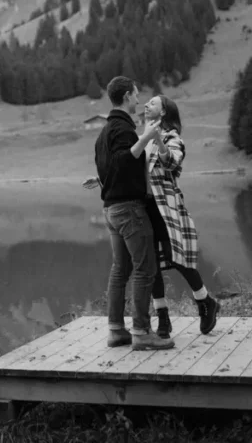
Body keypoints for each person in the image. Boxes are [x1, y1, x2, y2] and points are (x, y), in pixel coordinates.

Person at [85, 93, 219, 337]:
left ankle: (204, 301)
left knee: (176, 257)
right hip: (143, 205)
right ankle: (163, 316)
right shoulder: (142, 138)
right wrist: (101, 179)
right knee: (151, 262)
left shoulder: (172, 138)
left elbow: (173, 164)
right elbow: (131, 167)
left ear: (164, 111)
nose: (146, 104)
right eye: (145, 102)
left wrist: (159, 141)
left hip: (165, 208)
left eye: (153, 103)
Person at [93, 76, 175, 351]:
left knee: (121, 270)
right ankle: (141, 332)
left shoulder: (104, 133)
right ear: (127, 95)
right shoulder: (123, 129)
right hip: (129, 210)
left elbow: (109, 169)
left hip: (111, 210)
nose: (139, 100)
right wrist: (147, 138)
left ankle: (116, 330)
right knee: (145, 269)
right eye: (137, 94)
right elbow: (122, 161)